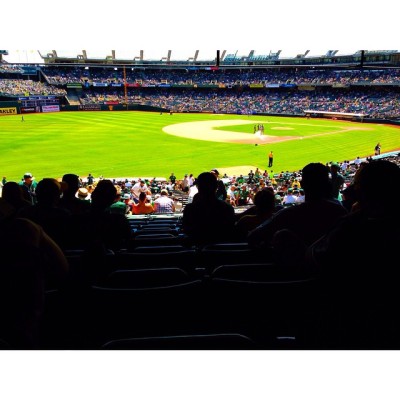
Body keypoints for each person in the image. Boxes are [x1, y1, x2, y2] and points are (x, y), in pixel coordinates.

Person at [307, 160, 400, 347]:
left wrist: (351, 217)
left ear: (362, 192)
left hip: (350, 325)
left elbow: (313, 256)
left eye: (357, 186)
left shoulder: (351, 228)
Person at [248, 162, 348, 266]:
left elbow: (253, 236)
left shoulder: (289, 213)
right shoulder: (341, 212)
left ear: (303, 184)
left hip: (293, 275)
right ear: (328, 184)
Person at [182, 172, 237, 246]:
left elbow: (187, 231)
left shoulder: (189, 209)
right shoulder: (228, 208)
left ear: (198, 187)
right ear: (216, 187)